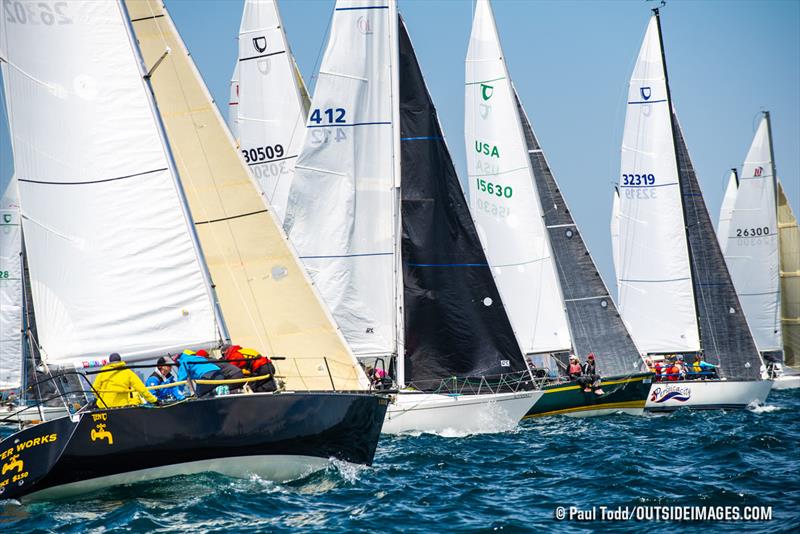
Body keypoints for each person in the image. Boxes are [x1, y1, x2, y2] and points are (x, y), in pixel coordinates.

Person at [93, 353, 159, 409]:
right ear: (120, 361)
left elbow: (94, 389)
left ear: (109, 362)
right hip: (121, 406)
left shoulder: (102, 372)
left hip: (104, 406)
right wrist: (154, 400)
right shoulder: (128, 372)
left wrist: (100, 398)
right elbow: (142, 389)